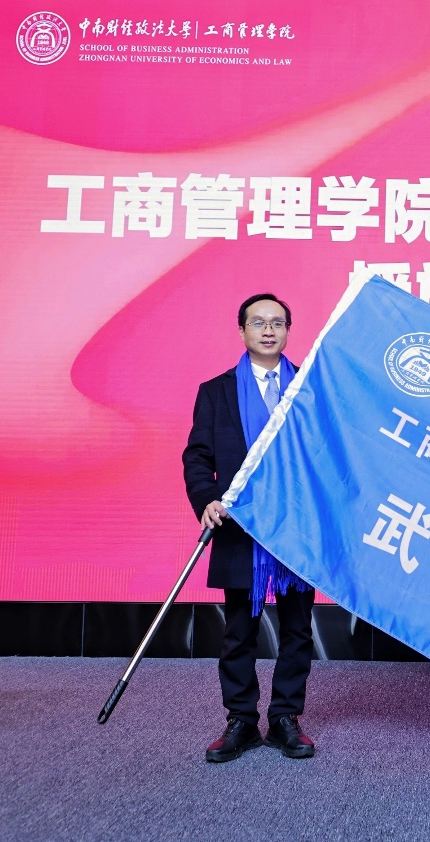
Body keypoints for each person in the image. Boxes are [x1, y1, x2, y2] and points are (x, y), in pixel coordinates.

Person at [183, 293, 317, 761]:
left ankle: (285, 718)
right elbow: (197, 456)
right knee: (239, 630)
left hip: (298, 527)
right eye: (258, 322)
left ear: (288, 331)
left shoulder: (310, 388)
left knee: (297, 629)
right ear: (241, 330)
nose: (268, 330)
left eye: (277, 322)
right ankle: (241, 720)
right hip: (241, 527)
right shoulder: (216, 391)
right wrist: (206, 498)